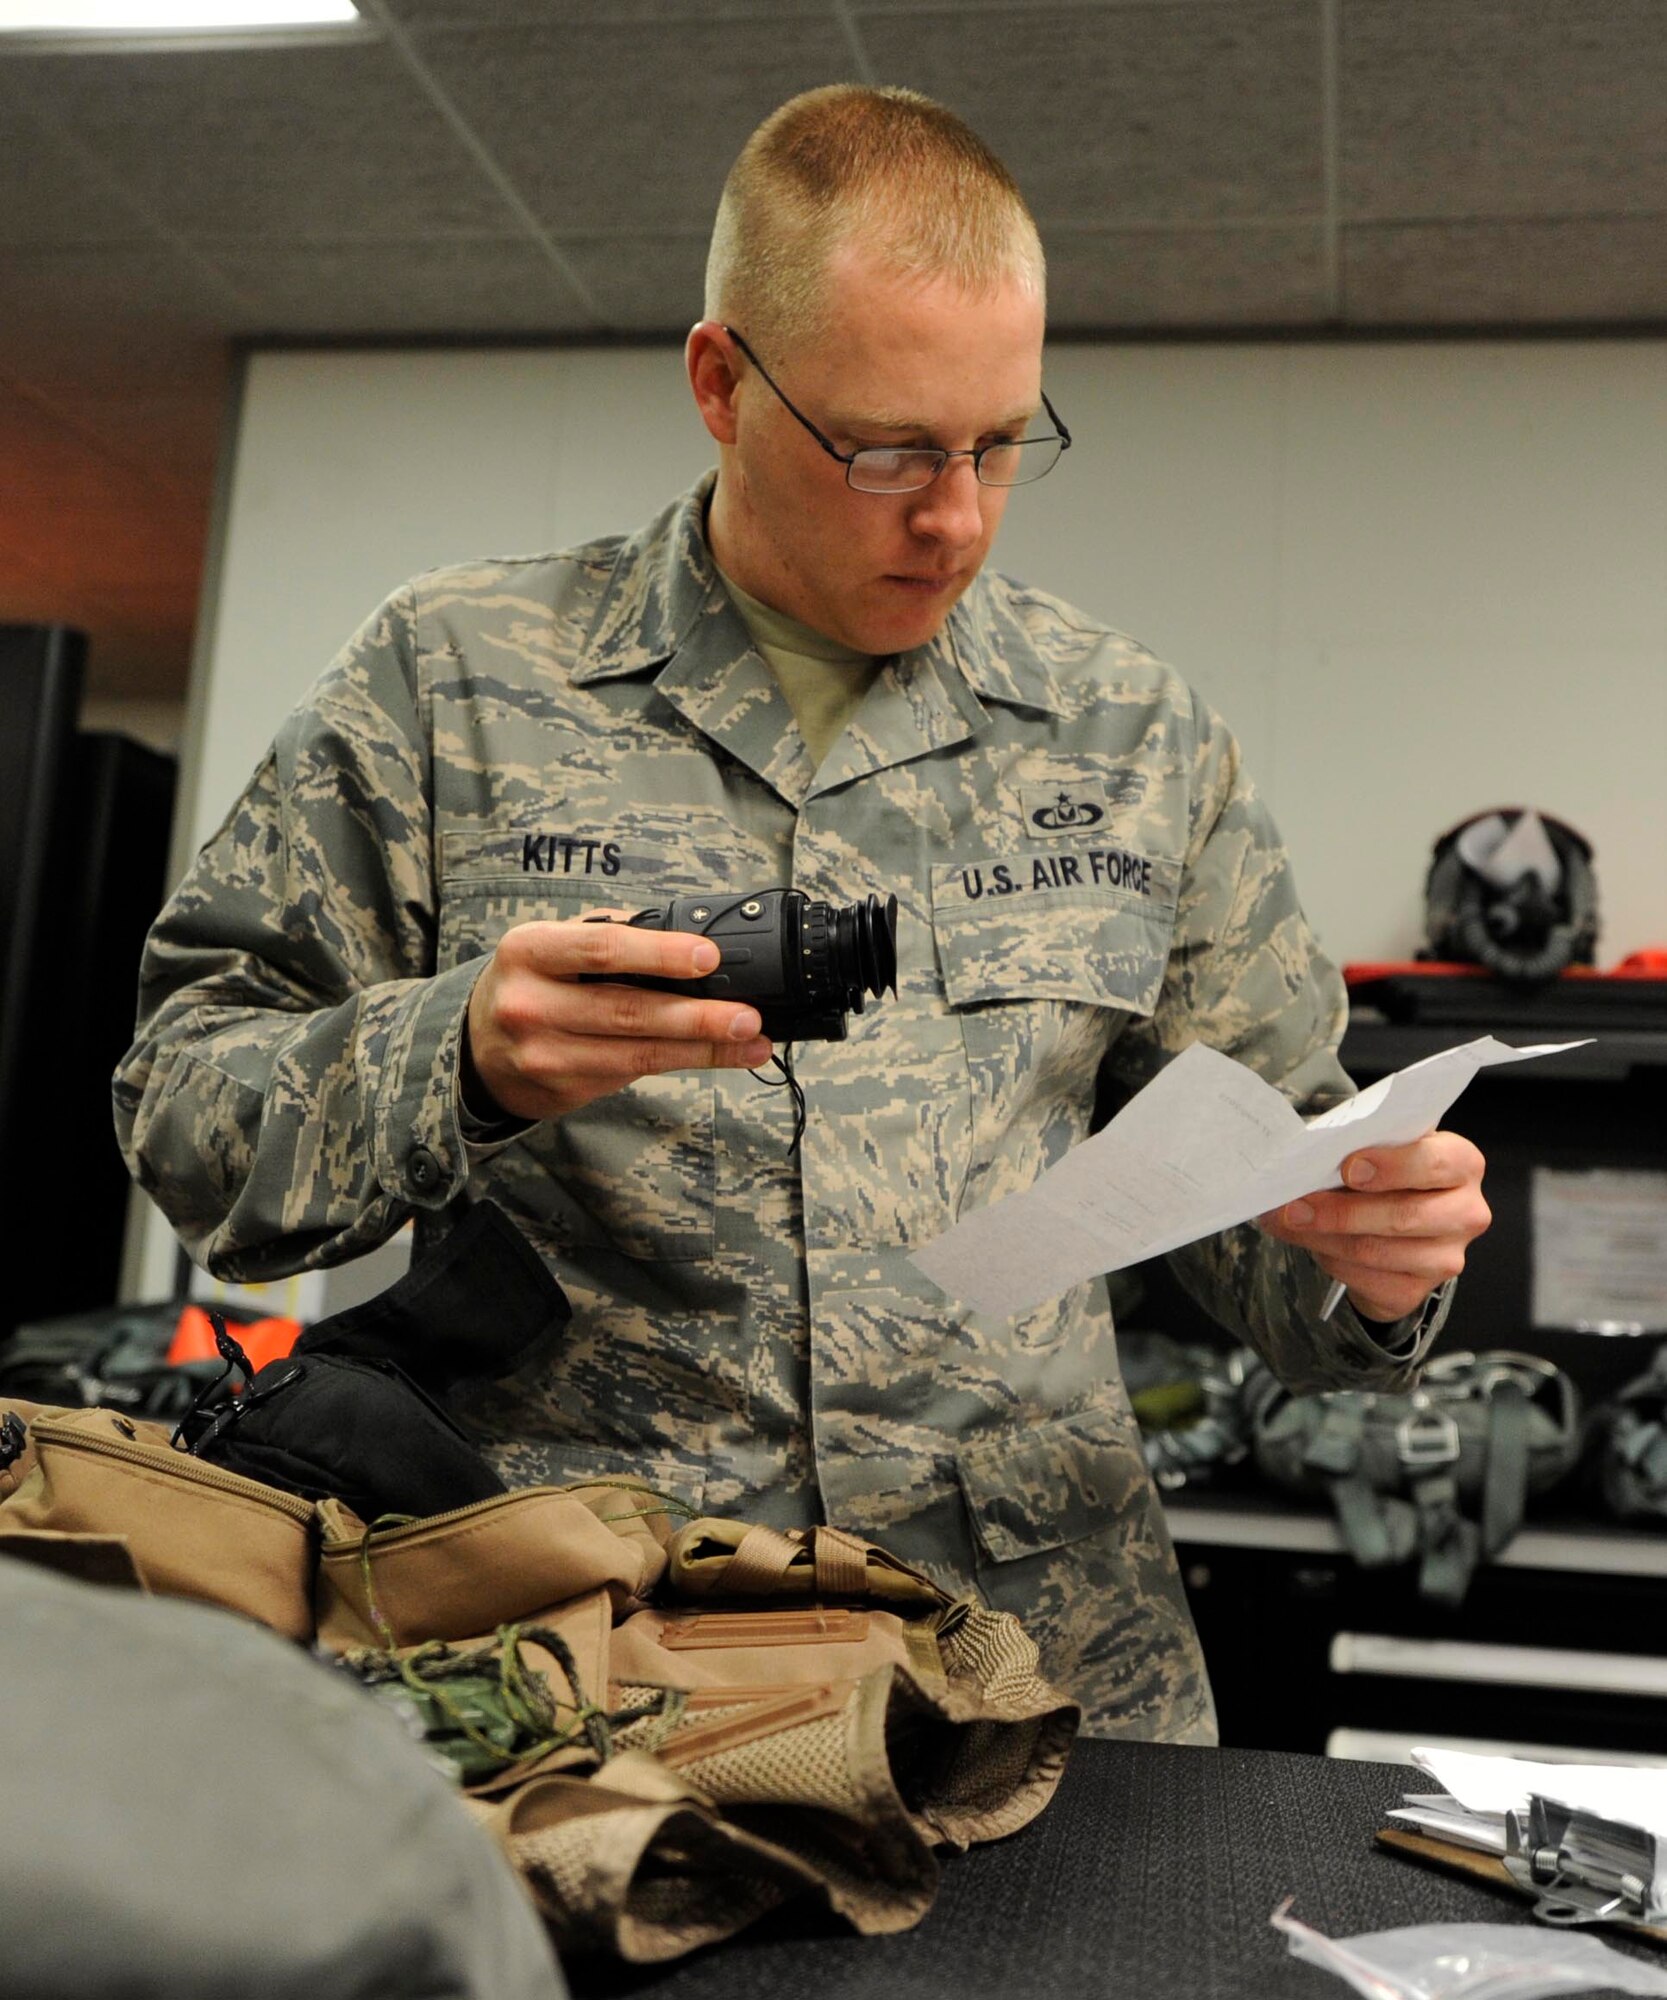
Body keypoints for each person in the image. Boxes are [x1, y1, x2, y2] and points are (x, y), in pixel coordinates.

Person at [114, 85, 1489, 1742]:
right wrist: (454, 1056)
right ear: (720, 383)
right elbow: (185, 1110)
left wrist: (1373, 1268)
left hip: (1038, 1677)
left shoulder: (1135, 735)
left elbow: (1275, 1199)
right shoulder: (455, 679)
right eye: (890, 450)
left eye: (1000, 444)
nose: (957, 516)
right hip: (591, 1665)